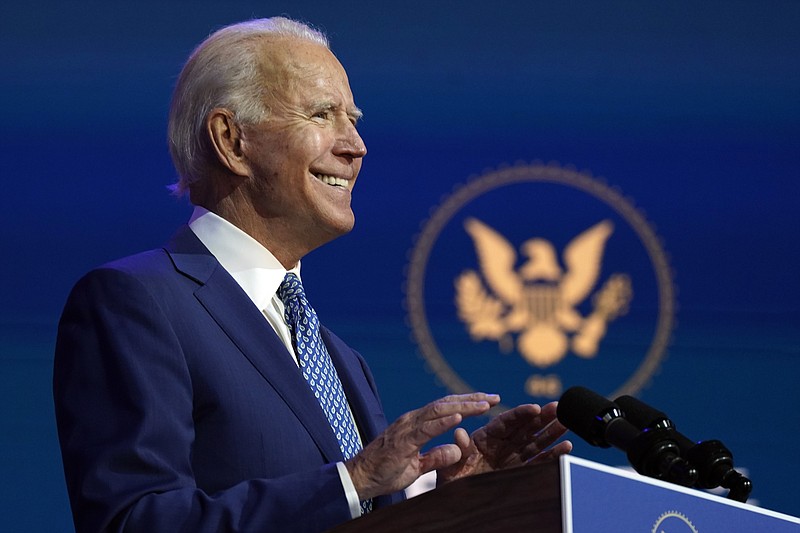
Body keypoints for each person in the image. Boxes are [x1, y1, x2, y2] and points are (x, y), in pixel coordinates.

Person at [53, 17, 571, 532]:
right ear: (231, 141)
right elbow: (134, 522)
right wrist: (355, 479)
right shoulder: (136, 302)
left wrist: (446, 503)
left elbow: (354, 509)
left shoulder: (341, 359)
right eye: (323, 116)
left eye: (354, 118)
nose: (356, 146)